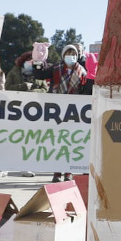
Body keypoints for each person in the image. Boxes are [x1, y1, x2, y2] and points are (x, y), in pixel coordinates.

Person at [49, 44, 91, 182]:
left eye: (73, 54)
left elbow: (85, 90)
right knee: (57, 142)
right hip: (57, 111)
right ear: (63, 55)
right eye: (68, 53)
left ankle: (68, 173)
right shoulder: (55, 69)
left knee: (70, 143)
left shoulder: (82, 71)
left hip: (73, 112)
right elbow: (40, 74)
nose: (71, 56)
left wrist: (90, 78)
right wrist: (37, 62)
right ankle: (57, 173)